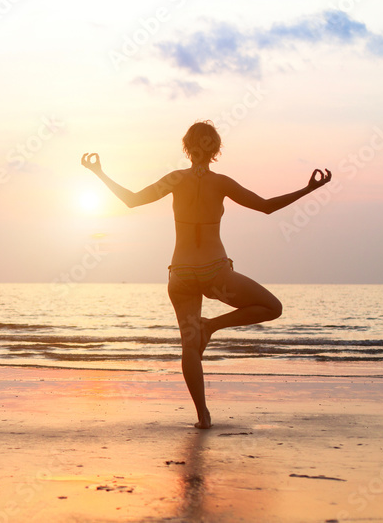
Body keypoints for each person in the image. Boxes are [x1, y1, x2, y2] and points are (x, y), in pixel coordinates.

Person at [80, 120, 332, 429]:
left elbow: (132, 200)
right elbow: (266, 207)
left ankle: (203, 416)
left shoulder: (174, 179)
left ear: (186, 147)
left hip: (181, 274)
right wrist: (309, 190)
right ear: (215, 149)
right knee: (273, 308)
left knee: (189, 346)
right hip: (215, 273)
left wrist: (99, 173)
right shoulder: (221, 183)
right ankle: (211, 326)